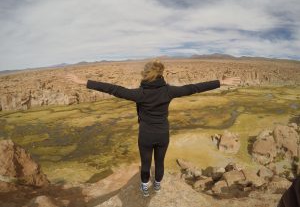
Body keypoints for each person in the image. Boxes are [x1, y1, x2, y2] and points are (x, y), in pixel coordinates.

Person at [66, 59, 241, 197]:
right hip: (163, 134)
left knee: (145, 164)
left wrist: (83, 82)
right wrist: (221, 82)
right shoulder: (168, 91)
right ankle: (157, 185)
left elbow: (112, 89)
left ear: (145, 75)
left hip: (146, 136)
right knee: (159, 162)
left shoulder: (139, 94)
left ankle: (144, 187)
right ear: (160, 75)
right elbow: (193, 88)